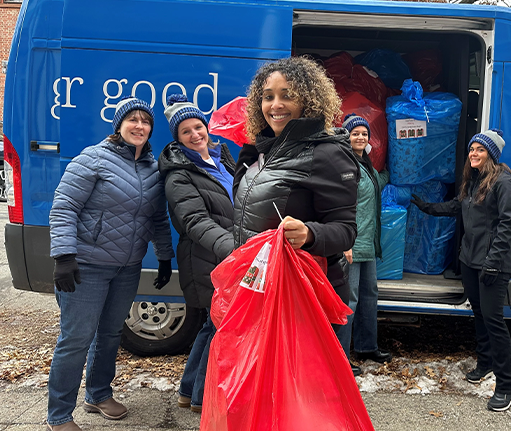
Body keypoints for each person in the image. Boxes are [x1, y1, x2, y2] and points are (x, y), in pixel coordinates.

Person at [47, 97, 174, 431]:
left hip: (127, 267)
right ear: (119, 126)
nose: (140, 126)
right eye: (132, 119)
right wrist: (63, 257)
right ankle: (59, 415)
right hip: (87, 265)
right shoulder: (93, 159)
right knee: (76, 339)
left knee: (110, 334)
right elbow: (64, 207)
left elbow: (158, 217)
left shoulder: (151, 168)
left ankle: (98, 393)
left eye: (145, 121)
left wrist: (164, 257)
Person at [232, 55, 359, 321]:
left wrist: (309, 233)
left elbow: (346, 231)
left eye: (286, 95)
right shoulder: (265, 150)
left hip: (302, 297)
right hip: (262, 287)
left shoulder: (327, 153)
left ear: (308, 101)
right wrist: (248, 156)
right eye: (268, 97)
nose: (275, 105)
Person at [411, 129, 511, 412]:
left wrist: (494, 262)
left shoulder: (504, 182)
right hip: (471, 261)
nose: (473, 153)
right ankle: (485, 363)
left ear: (491, 155)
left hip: (493, 264)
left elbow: (508, 225)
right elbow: (456, 207)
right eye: (472, 149)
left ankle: (508, 385)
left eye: (480, 150)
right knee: (480, 315)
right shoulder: (474, 182)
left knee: (494, 321)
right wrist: (426, 207)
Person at [158, 94, 236, 414]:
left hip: (229, 255)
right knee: (220, 325)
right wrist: (235, 247)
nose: (195, 134)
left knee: (211, 325)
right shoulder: (179, 173)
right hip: (208, 258)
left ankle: (189, 390)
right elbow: (194, 221)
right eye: (186, 131)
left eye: (198, 126)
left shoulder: (223, 158)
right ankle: (203, 398)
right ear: (178, 139)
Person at [336, 114, 392, 376]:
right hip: (351, 244)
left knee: (369, 296)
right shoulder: (344, 165)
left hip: (367, 242)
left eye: (364, 134)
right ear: (346, 136)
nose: (360, 137)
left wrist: (395, 172)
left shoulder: (364, 164)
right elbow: (338, 204)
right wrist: (344, 242)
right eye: (355, 133)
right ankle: (340, 355)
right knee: (350, 299)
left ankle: (367, 346)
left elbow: (375, 186)